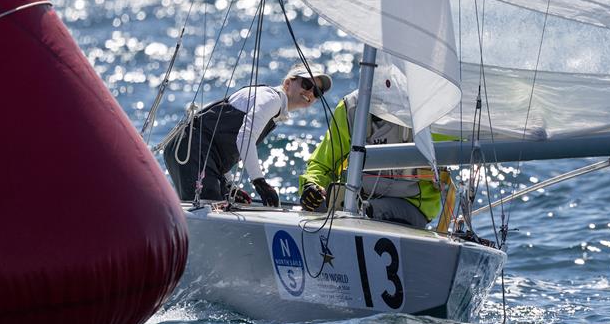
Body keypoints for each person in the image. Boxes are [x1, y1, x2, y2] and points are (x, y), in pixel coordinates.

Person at [164, 65, 332, 206]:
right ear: (288, 83)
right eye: (306, 84)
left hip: (196, 151)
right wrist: (260, 182)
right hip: (190, 149)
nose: (310, 93)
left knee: (218, 207)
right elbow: (244, 137)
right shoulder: (271, 99)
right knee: (209, 212)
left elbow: (222, 139)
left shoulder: (273, 104)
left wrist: (228, 185)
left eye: (317, 91)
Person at [298, 90, 443, 228]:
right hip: (356, 202)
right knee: (321, 210)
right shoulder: (351, 107)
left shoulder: (425, 110)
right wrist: (311, 185)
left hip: (410, 204)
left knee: (363, 213)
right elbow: (323, 164)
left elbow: (457, 139)